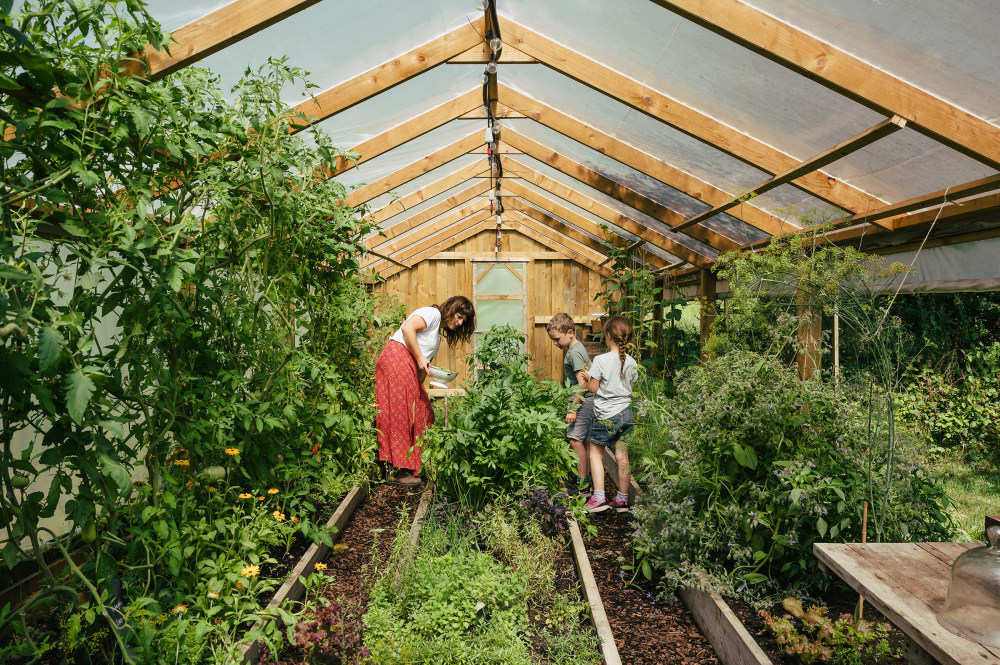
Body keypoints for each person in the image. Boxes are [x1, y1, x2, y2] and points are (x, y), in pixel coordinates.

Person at [375, 296, 475, 485]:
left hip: (407, 366)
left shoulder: (437, 337)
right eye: (459, 316)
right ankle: (396, 470)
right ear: (451, 309)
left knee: (424, 412)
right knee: (399, 413)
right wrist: (420, 358)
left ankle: (415, 465)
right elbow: (407, 329)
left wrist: (422, 381)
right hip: (396, 357)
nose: (460, 322)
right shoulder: (433, 313)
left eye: (463, 321)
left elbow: (422, 367)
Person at [583, 315, 638, 513]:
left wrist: (588, 377)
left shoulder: (600, 360)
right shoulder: (632, 362)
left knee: (595, 453)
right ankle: (622, 500)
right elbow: (630, 388)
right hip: (627, 415)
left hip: (606, 415)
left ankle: (599, 498)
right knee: (623, 457)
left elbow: (593, 389)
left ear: (607, 336)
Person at [546, 313, 593, 495]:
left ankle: (582, 485)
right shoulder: (576, 348)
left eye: (557, 339)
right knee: (584, 441)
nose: (555, 343)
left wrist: (573, 409)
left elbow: (582, 383)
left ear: (570, 332)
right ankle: (584, 480)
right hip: (587, 401)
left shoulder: (574, 353)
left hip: (581, 401)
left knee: (574, 440)